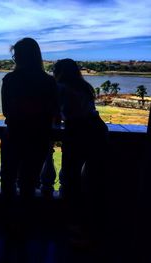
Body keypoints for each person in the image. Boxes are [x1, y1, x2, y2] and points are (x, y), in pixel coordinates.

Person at [53, 58, 108, 246]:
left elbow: (56, 116)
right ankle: (89, 227)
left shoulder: (61, 88)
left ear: (59, 72)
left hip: (78, 132)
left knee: (71, 179)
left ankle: (76, 226)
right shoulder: (84, 86)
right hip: (97, 130)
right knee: (92, 180)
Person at [0, 38, 58, 200]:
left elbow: (6, 111)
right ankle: (26, 220)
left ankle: (9, 219)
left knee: (8, 180)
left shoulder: (10, 79)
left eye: (16, 55)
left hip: (14, 135)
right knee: (29, 182)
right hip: (39, 137)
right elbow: (53, 111)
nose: (15, 59)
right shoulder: (48, 81)